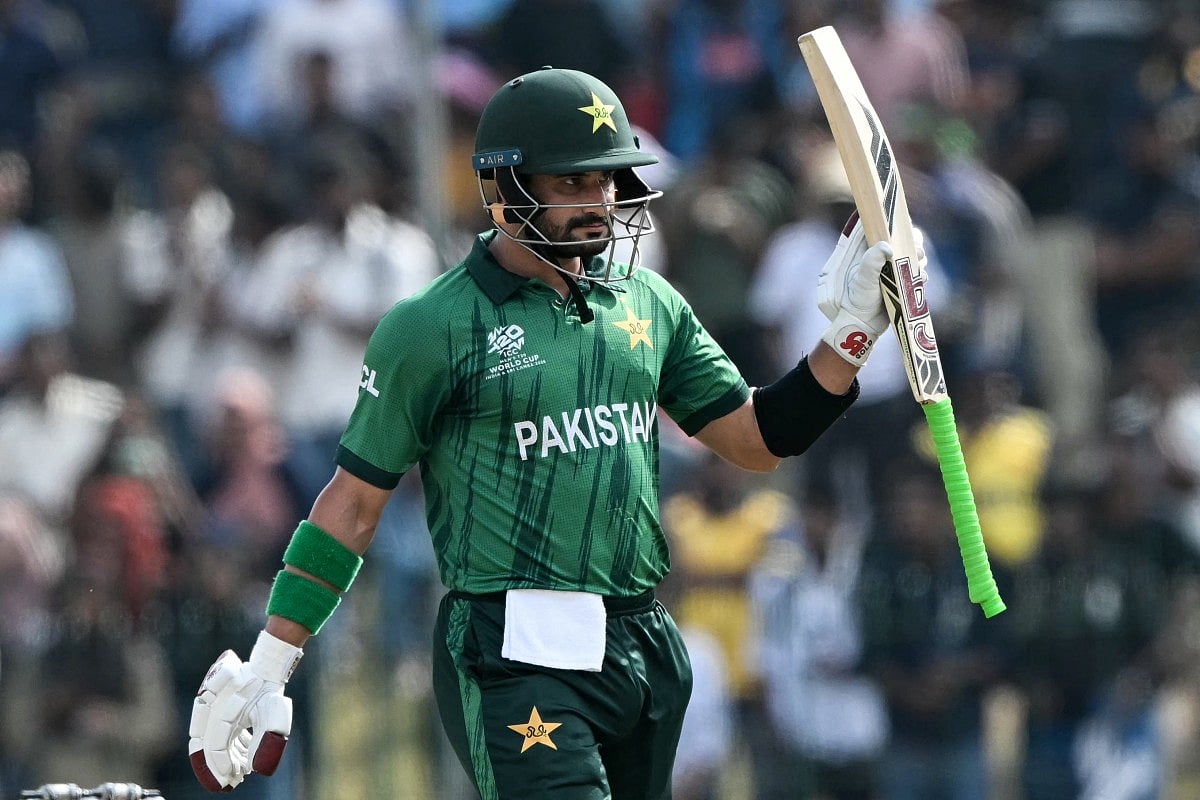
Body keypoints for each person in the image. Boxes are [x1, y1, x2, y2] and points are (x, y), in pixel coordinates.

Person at [186, 67, 906, 800]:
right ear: (503, 191)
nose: (600, 204)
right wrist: (273, 658)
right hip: (511, 650)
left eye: (607, 181)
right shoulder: (431, 327)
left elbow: (755, 439)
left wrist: (848, 339)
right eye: (572, 184)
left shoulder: (649, 301)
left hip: (643, 641)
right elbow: (353, 502)